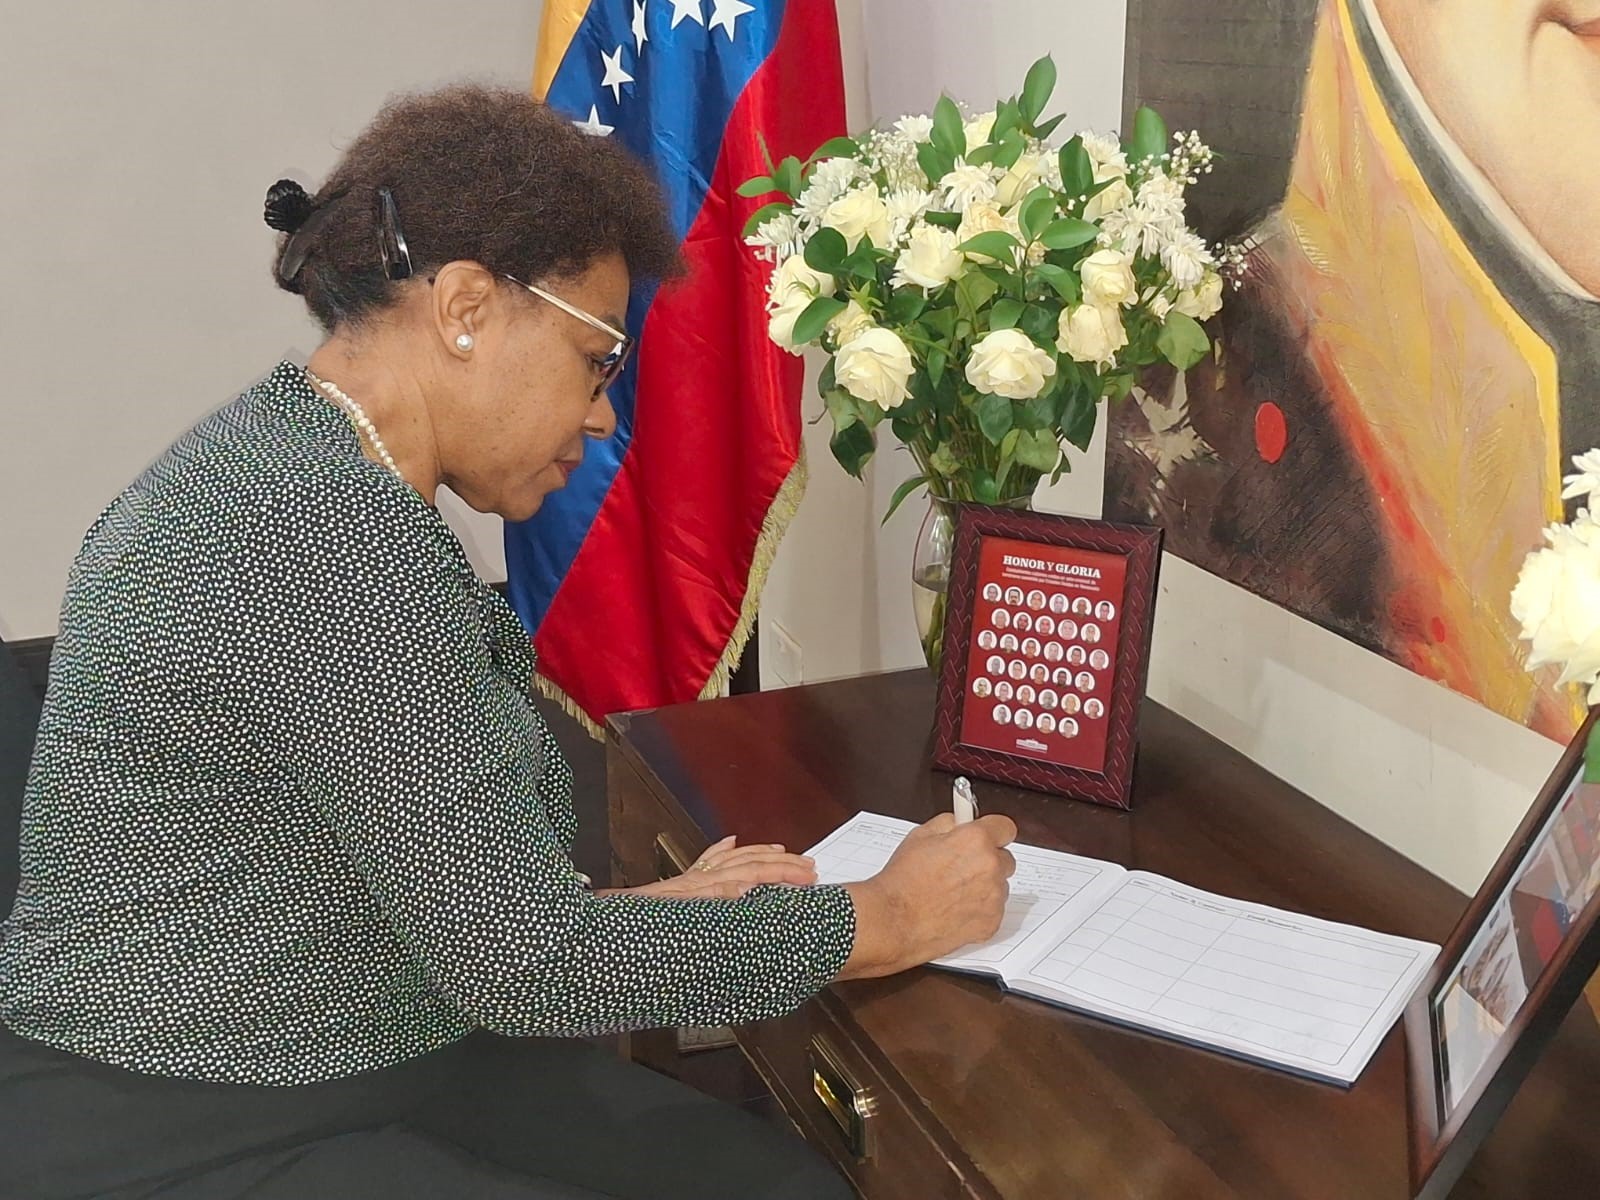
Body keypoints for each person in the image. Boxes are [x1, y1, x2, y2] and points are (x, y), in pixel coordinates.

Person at [0, 86, 1018, 1200]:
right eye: (596, 360)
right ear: (467, 308)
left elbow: (410, 881)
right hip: (199, 1111)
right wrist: (884, 918)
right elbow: (525, 969)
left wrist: (610, 921)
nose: (601, 415)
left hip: (329, 1033)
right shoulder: (325, 532)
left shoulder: (291, 463)